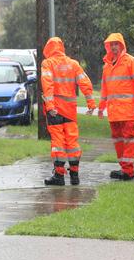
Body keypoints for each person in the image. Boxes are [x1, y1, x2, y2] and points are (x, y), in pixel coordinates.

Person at [41, 37, 96, 186]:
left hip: (55, 112)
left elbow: (48, 85)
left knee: (58, 143)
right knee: (72, 142)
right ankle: (75, 175)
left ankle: (59, 176)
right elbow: (85, 82)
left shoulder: (48, 63)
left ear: (48, 49)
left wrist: (51, 106)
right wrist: (91, 102)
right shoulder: (73, 64)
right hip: (70, 111)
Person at [98, 33, 134, 181]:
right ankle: (124, 168)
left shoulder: (130, 61)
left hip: (129, 111)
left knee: (129, 141)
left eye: (116, 44)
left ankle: (128, 171)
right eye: (111, 44)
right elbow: (104, 88)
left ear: (121, 45)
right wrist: (101, 107)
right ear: (108, 46)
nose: (113, 47)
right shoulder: (107, 66)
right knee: (119, 142)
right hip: (114, 112)